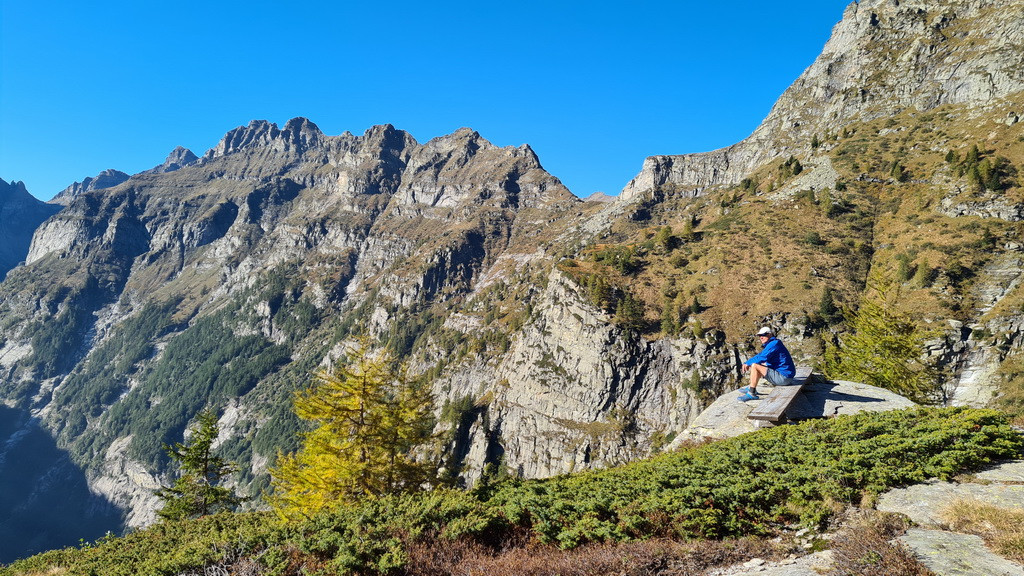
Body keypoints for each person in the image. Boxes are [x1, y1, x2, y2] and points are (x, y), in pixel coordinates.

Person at [738, 326, 796, 401]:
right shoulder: (773, 343)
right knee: (757, 365)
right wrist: (747, 362)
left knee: (755, 366)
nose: (761, 337)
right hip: (786, 376)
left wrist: (747, 363)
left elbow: (762, 357)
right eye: (759, 336)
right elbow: (760, 355)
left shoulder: (774, 344)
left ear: (769, 334)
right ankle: (751, 388)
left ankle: (751, 393)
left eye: (763, 335)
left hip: (784, 378)